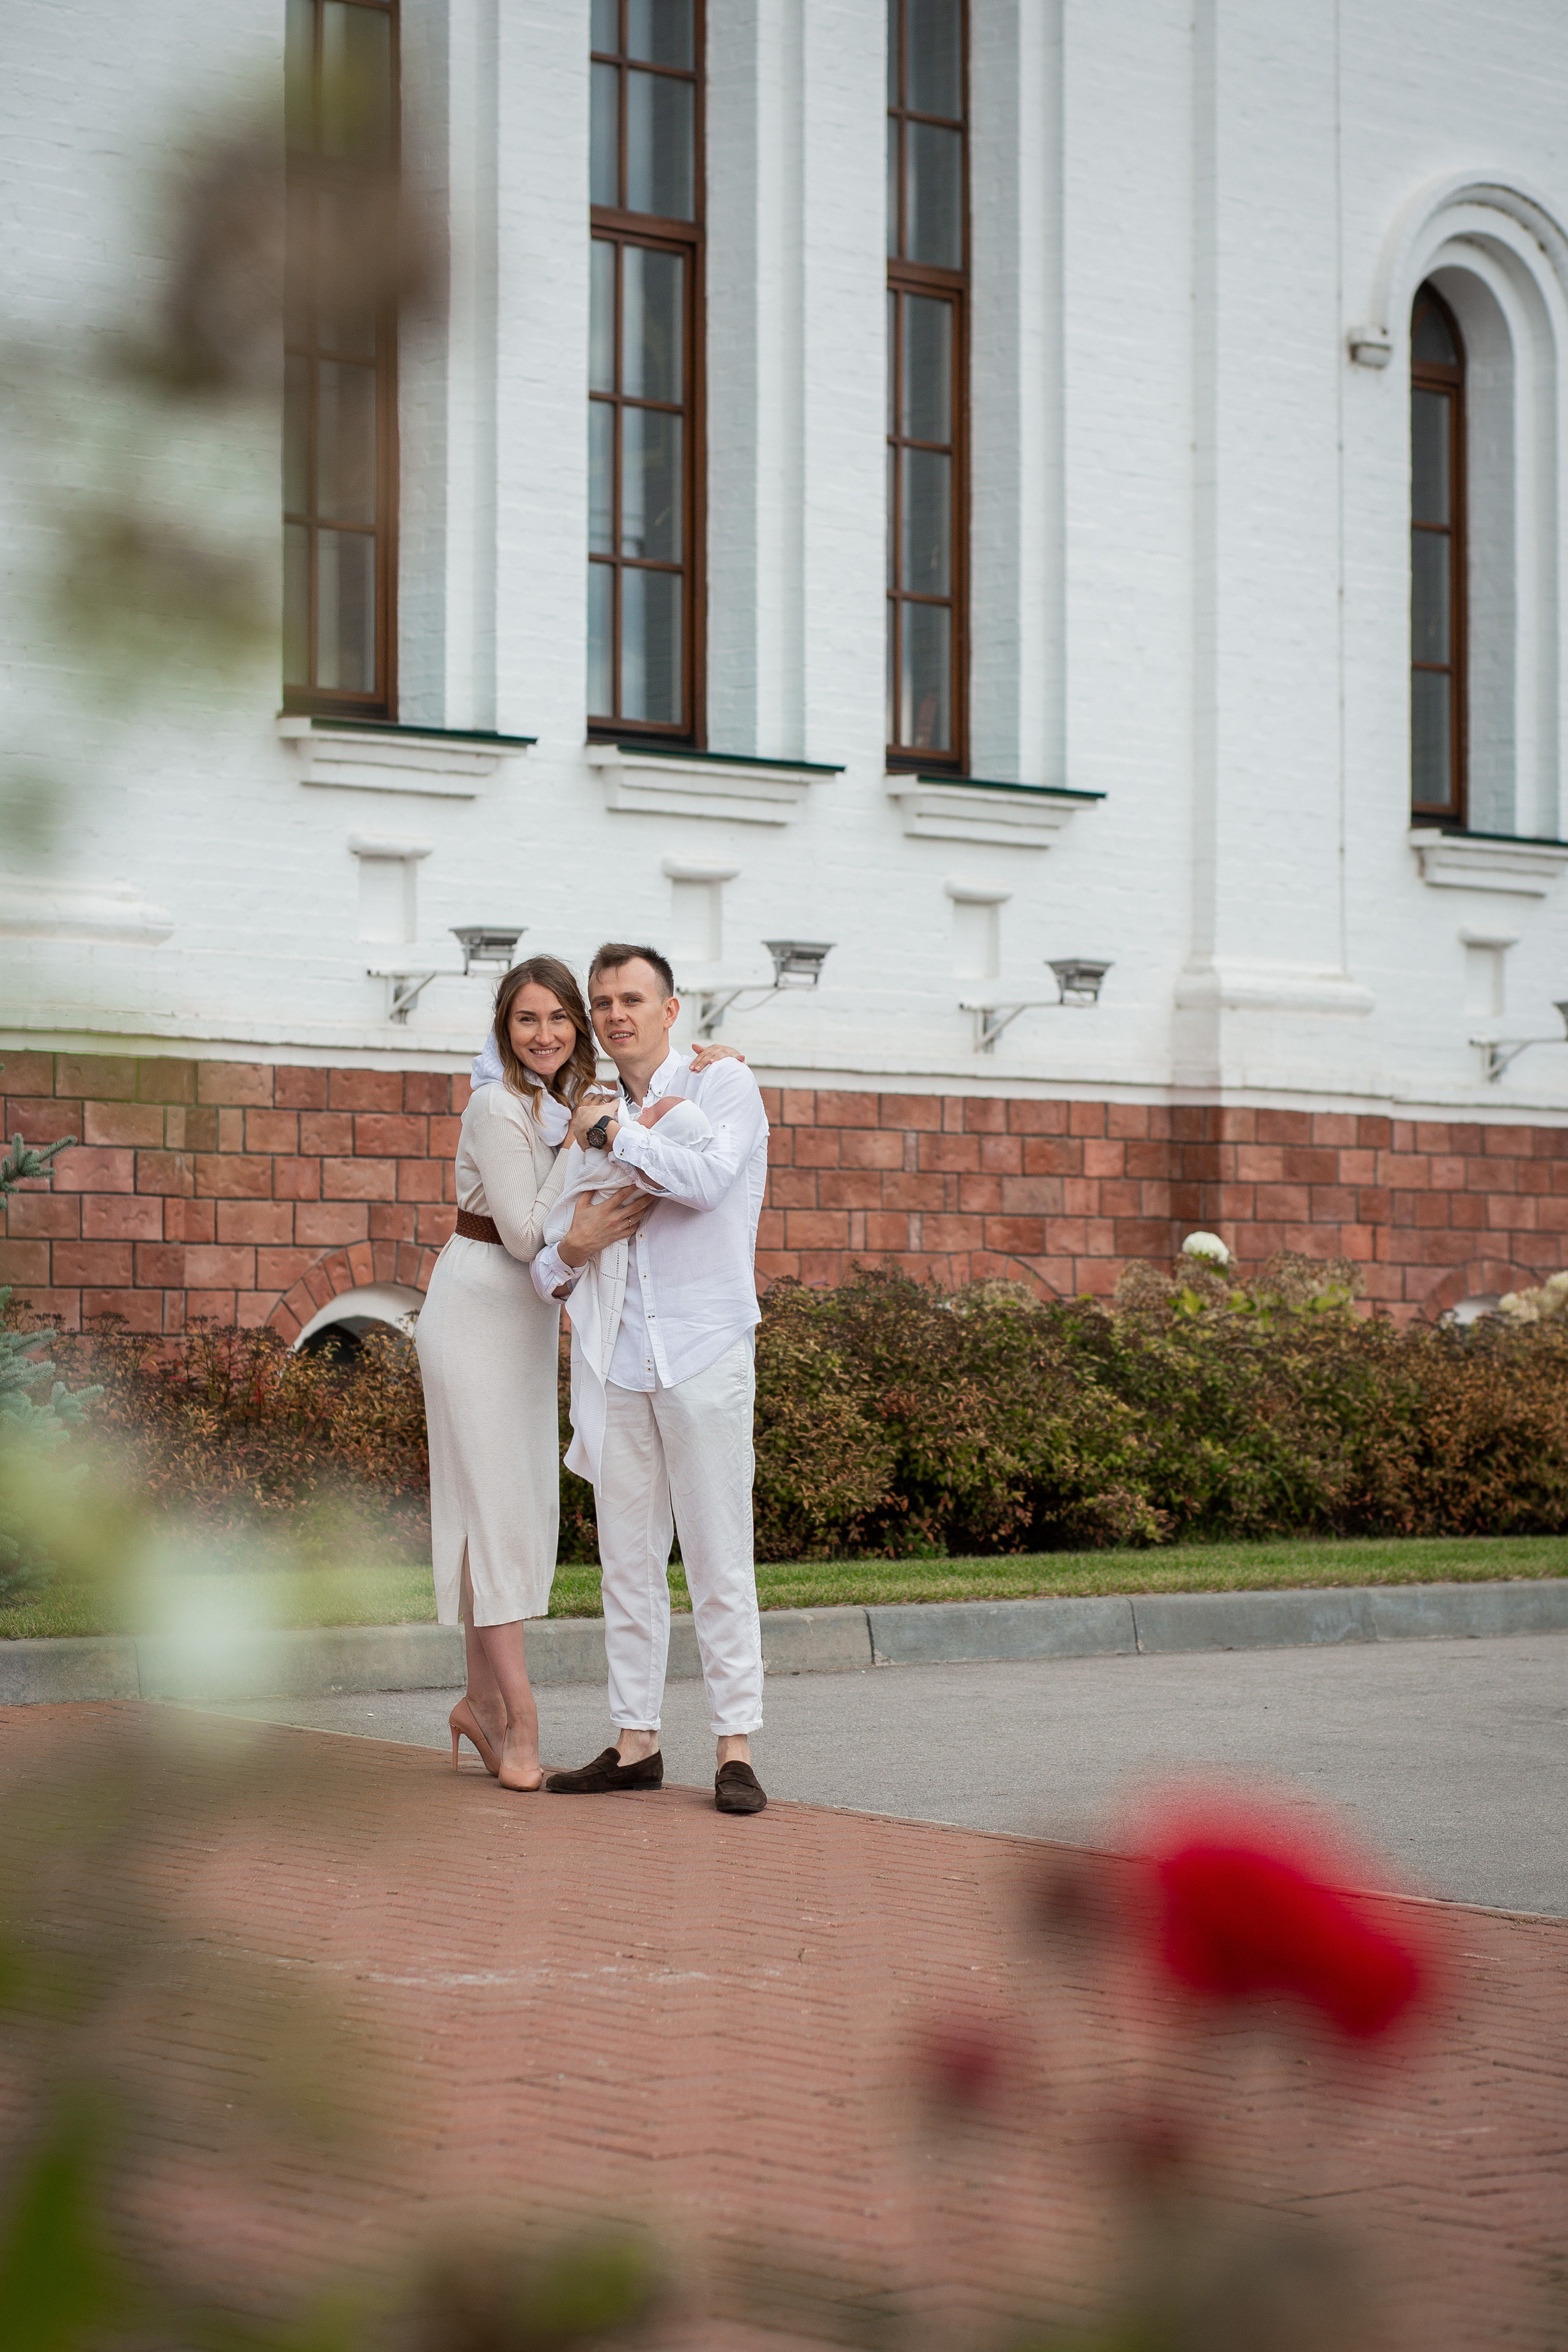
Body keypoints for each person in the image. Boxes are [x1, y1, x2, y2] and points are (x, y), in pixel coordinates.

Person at [530, 943, 771, 1817]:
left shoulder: (723, 1087)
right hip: (619, 1362)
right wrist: (573, 1250)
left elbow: (707, 1184)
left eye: (633, 997)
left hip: (706, 1350)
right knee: (626, 1563)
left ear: (673, 1010)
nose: (615, 1013)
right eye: (603, 1002)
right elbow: (550, 1257)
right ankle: (636, 1742)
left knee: (716, 1553)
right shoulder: (587, 1109)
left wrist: (618, 1136)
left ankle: (735, 1746)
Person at [416, 956, 648, 1792]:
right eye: (526, 1020)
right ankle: (519, 1718)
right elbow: (523, 1234)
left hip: (524, 1322)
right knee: (497, 1507)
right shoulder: (496, 1105)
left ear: (577, 1028)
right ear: (504, 1031)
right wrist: (580, 1138)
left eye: (559, 1019)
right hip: (476, 1309)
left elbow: (661, 1067)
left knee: (507, 1506)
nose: (544, 1033)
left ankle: (479, 1699)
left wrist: (717, 1057)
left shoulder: (565, 1102)